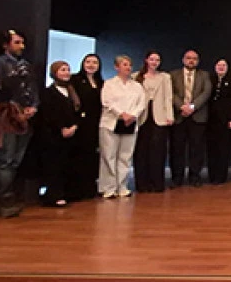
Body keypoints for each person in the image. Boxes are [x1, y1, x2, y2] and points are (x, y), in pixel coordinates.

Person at [0, 29, 39, 217]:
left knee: (16, 160)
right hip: (7, 118)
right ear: (6, 45)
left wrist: (33, 107)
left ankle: (7, 195)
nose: (22, 46)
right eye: (17, 42)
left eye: (22, 42)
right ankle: (2, 198)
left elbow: (33, 89)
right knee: (6, 159)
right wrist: (14, 109)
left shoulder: (26, 65)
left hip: (26, 119)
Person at [98, 55, 146, 199]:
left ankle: (122, 186)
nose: (128, 67)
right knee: (109, 156)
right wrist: (121, 114)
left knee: (125, 156)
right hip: (111, 123)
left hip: (130, 123)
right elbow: (106, 102)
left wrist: (132, 115)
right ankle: (108, 188)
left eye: (129, 65)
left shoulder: (137, 86)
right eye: (124, 64)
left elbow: (141, 104)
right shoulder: (109, 84)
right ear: (116, 67)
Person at [38, 61, 84, 207]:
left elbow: (79, 112)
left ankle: (67, 193)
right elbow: (48, 114)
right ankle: (53, 195)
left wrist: (74, 126)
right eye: (62, 70)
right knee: (54, 166)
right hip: (54, 135)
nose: (66, 73)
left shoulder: (73, 92)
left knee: (68, 165)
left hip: (72, 134)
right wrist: (62, 128)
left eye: (68, 70)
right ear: (54, 73)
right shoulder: (48, 92)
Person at [170, 49, 212, 188]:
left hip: (197, 116)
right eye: (188, 58)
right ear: (183, 60)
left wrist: (192, 107)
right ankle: (177, 177)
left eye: (194, 58)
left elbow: (206, 92)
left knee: (196, 149)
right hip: (179, 116)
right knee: (177, 149)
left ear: (198, 61)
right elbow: (171, 93)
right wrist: (182, 106)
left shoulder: (204, 75)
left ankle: (195, 176)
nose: (191, 61)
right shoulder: (173, 75)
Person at [132, 52, 172, 193]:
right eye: (152, 59)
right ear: (146, 60)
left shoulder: (165, 77)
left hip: (159, 117)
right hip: (141, 116)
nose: (154, 62)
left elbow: (168, 97)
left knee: (158, 151)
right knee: (141, 151)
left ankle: (157, 183)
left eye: (157, 60)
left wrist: (169, 115)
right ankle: (142, 184)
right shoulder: (136, 76)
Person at [67, 54, 103, 201]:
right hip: (80, 123)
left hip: (95, 124)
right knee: (78, 156)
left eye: (95, 62)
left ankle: (89, 188)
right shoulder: (74, 80)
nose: (91, 65)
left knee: (91, 156)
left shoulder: (101, 82)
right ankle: (76, 190)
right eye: (88, 62)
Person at [206, 58, 231, 185]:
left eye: (224, 65)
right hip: (210, 120)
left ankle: (221, 176)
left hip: (225, 120)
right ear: (215, 67)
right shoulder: (210, 79)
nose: (221, 67)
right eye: (219, 65)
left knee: (224, 148)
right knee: (211, 148)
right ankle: (212, 175)